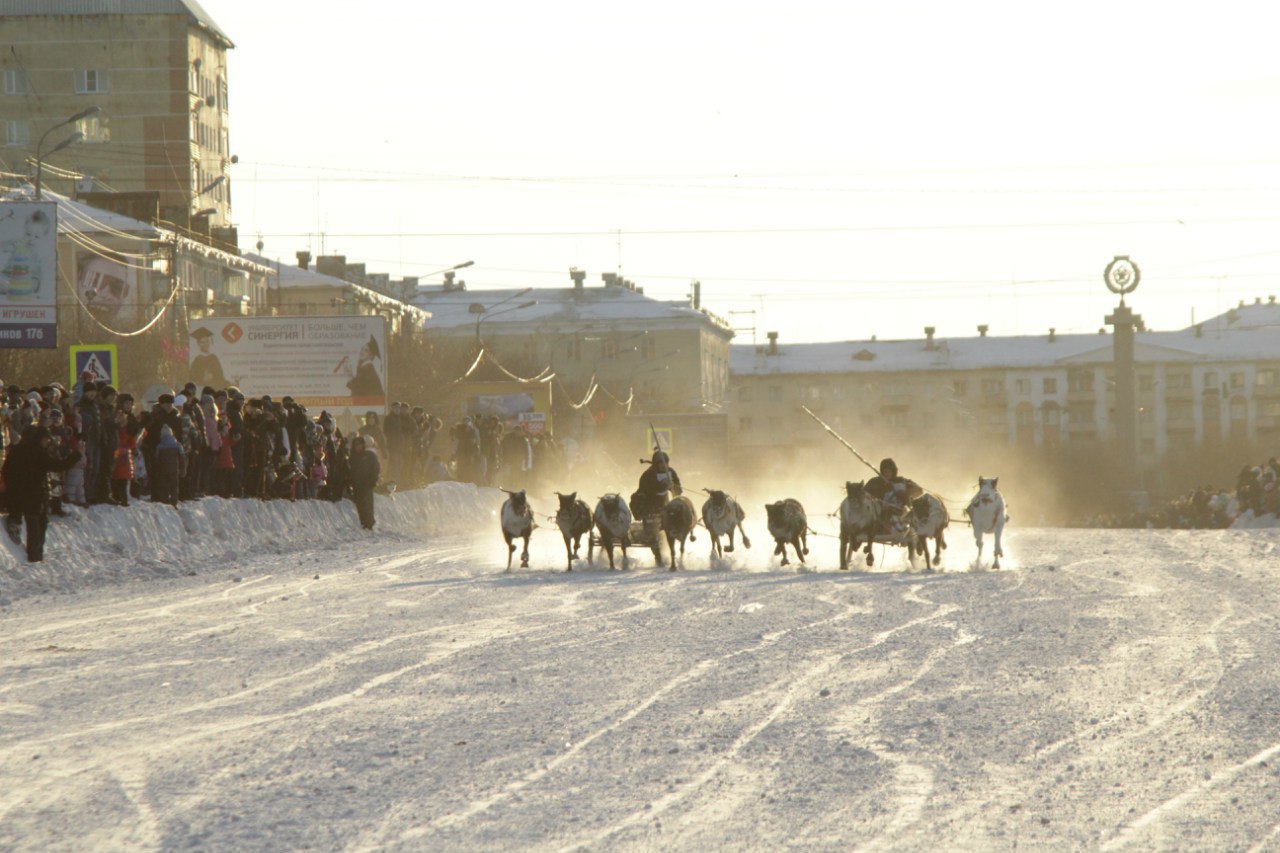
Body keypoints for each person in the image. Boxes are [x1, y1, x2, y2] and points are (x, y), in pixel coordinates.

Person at [0, 425, 82, 562]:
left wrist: (12, 489)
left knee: (35, 523)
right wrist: (77, 455)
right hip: (35, 495)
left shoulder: (15, 450)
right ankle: (35, 556)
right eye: (45, 439)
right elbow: (58, 466)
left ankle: (34, 555)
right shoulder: (38, 452)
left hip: (18, 495)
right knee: (38, 525)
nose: (47, 442)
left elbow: (6, 471)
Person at [865, 457, 923, 534]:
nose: (887, 474)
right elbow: (863, 492)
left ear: (893, 472)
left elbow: (919, 490)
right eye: (885, 472)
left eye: (889, 471)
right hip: (880, 512)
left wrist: (901, 492)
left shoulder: (901, 481)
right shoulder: (875, 482)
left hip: (900, 512)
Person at [630, 449, 681, 520]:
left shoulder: (671, 472)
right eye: (661, 463)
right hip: (649, 503)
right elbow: (647, 490)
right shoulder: (648, 474)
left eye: (666, 462)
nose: (664, 465)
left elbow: (678, 492)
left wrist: (674, 487)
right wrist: (663, 486)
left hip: (665, 502)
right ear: (656, 464)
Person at [348, 434, 380, 530]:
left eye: (360, 444)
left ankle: (370, 522)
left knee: (368, 504)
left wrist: (373, 480)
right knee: (360, 505)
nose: (358, 447)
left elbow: (376, 468)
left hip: (367, 484)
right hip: (357, 485)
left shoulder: (369, 455)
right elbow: (350, 471)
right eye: (356, 445)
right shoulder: (352, 458)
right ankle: (363, 522)